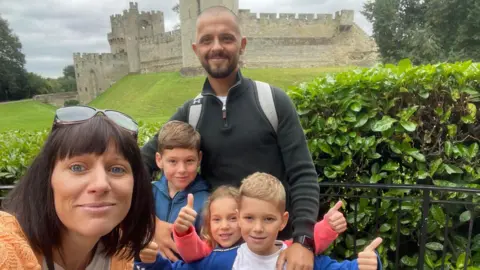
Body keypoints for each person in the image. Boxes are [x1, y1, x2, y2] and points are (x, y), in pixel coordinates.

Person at [140, 5, 320, 268]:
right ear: (195, 49)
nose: (216, 47)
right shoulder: (191, 113)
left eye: (226, 38)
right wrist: (150, 224)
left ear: (241, 44)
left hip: (274, 254)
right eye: (206, 40)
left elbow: (303, 175)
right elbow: (136, 168)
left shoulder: (272, 101)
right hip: (216, 257)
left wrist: (304, 241)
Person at [0, 106, 156, 269]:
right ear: (47, 178)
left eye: (116, 169)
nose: (101, 184)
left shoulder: (120, 255)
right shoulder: (5, 250)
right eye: (77, 168)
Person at [133, 172, 383, 270]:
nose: (258, 228)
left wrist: (372, 263)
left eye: (268, 219)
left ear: (283, 221)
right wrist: (149, 259)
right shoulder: (222, 260)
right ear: (239, 217)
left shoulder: (296, 259)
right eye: (249, 218)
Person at [165, 185, 345, 263]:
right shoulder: (210, 250)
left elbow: (299, 246)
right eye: (217, 219)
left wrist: (328, 226)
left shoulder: (263, 245)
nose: (225, 226)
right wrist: (184, 231)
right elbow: (192, 254)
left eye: (232, 218)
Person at [152, 120, 209, 236]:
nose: (182, 169)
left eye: (189, 161)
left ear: (199, 159)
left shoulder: (207, 202)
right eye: (173, 161)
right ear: (159, 160)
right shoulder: (148, 194)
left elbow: (208, 248)